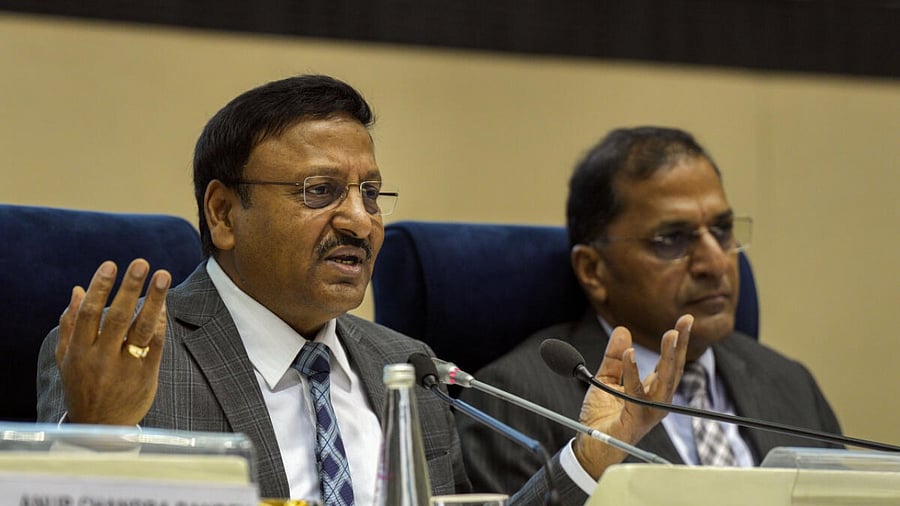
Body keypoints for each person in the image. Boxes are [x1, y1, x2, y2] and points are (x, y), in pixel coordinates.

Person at [36, 76, 694, 504]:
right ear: (223, 214)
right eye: (320, 192)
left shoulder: (407, 365)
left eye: (371, 194)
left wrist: (588, 460)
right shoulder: (127, 359)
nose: (359, 220)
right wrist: (99, 436)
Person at [458, 126, 843, 495]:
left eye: (722, 230)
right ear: (594, 271)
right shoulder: (515, 402)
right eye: (672, 239)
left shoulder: (789, 384)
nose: (715, 262)